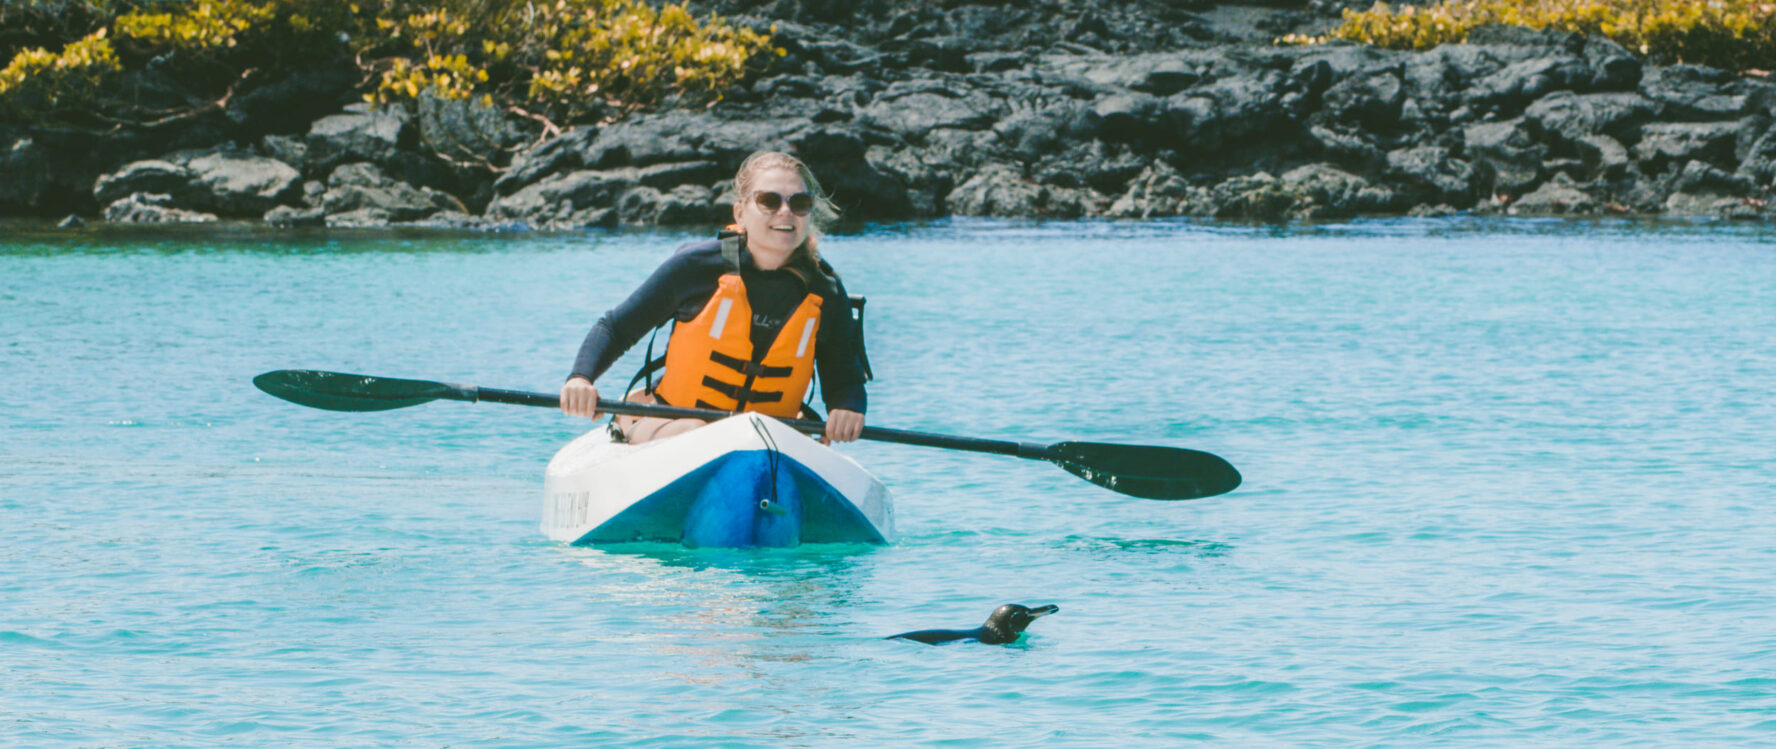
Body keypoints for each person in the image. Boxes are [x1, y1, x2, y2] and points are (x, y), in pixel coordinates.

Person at [559, 151, 870, 445]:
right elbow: (616, 328)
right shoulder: (696, 267)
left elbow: (844, 376)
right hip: (672, 422)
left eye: (800, 202)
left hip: (770, 436)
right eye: (769, 201)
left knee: (777, 439)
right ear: (740, 212)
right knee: (697, 430)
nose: (786, 212)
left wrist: (848, 408)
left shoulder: (825, 290)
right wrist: (580, 379)